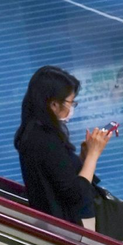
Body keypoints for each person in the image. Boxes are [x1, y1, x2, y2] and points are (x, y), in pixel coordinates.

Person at [14, 66, 113, 227]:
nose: (72, 107)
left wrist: (84, 157)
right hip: (72, 227)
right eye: (70, 102)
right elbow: (75, 193)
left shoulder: (35, 132)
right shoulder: (46, 140)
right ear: (53, 104)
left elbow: (61, 175)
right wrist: (94, 155)